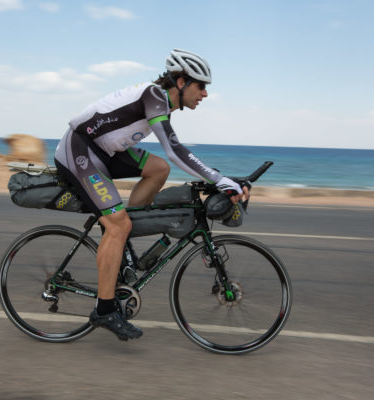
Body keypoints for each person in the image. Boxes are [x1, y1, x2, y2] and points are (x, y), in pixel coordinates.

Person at [53, 48, 249, 341]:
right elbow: (174, 150)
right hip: (80, 150)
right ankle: (104, 310)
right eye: (201, 86)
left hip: (105, 152)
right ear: (181, 82)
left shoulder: (162, 103)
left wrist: (217, 178)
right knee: (117, 223)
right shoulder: (155, 96)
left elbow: (168, 157)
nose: (205, 94)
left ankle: (123, 246)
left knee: (157, 169)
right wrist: (219, 179)